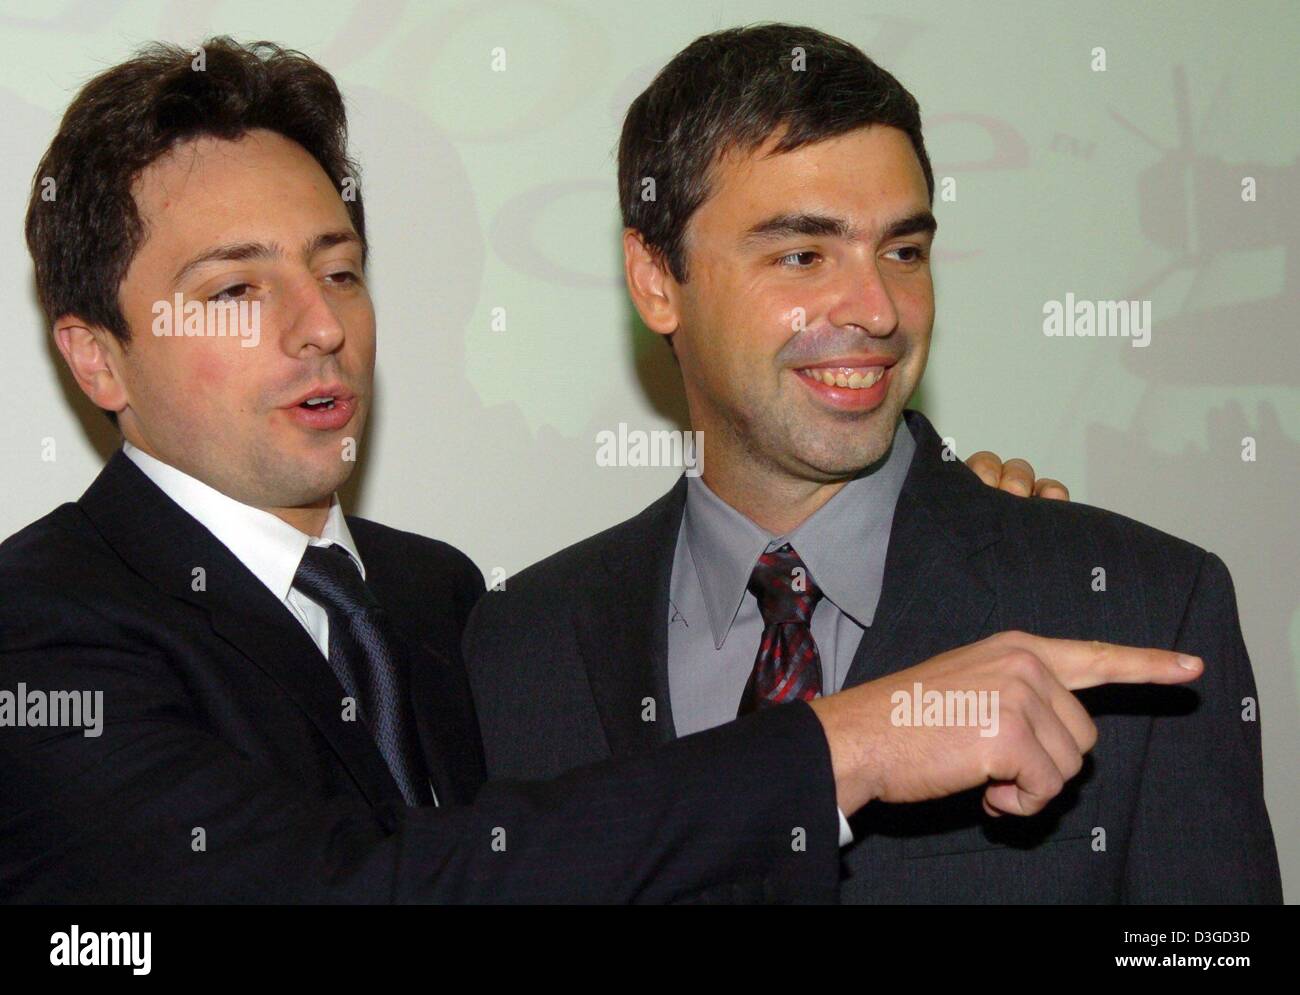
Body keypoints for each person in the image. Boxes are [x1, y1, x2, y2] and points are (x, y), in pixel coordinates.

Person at [0, 36, 1114, 904]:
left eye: (339, 271)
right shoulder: (41, 627)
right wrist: (840, 747)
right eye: (237, 288)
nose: (319, 327)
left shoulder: (451, 604)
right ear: (98, 351)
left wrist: (947, 535)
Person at [464, 24, 1283, 903]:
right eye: (802, 254)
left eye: (903, 251)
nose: (878, 308)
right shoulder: (521, 646)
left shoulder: (1138, 610)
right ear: (657, 279)